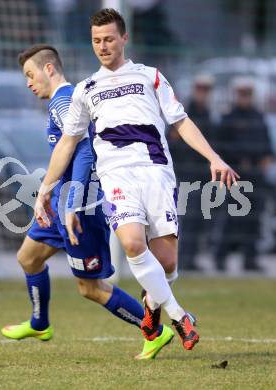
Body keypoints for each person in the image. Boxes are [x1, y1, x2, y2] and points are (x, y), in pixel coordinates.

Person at [35, 8, 239, 351]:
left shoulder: (150, 77)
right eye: (97, 41)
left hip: (156, 172)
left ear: (124, 38)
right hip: (117, 178)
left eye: (109, 39)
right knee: (132, 243)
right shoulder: (86, 89)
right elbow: (68, 143)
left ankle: (152, 304)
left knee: (168, 263)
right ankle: (179, 316)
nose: (103, 46)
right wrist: (46, 188)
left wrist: (213, 157)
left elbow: (181, 121)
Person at [1, 44, 175, 360]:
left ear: (49, 68)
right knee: (28, 258)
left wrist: (73, 201)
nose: (28, 82)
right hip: (63, 205)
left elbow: (84, 147)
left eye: (30, 74)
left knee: (90, 288)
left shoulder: (64, 101)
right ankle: (40, 324)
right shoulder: (60, 101)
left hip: (82, 210)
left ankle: (154, 331)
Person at [211, 76, 273, 271]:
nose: (245, 97)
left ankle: (250, 259)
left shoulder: (258, 117)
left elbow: (267, 146)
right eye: (242, 93)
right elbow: (220, 148)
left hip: (256, 176)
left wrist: (266, 158)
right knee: (231, 219)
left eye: (248, 93)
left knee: (254, 220)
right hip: (235, 176)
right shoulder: (228, 118)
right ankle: (220, 257)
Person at [168, 74, 216, 270]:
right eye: (200, 89)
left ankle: (190, 257)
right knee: (184, 217)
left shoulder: (209, 116)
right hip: (183, 173)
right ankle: (182, 258)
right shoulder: (183, 114)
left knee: (198, 218)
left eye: (206, 90)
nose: (203, 94)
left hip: (201, 175)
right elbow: (172, 144)